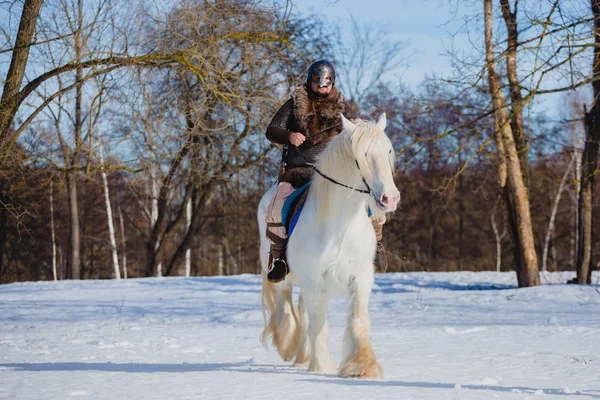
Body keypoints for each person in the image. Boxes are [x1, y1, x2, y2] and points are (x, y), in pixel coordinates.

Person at [264, 59, 388, 283]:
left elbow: (353, 131)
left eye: (327, 82)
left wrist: (358, 125)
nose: (322, 86)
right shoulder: (294, 104)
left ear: (332, 83)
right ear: (310, 81)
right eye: (318, 82)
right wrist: (289, 136)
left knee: (373, 202)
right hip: (299, 170)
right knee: (276, 206)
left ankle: (376, 244)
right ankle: (280, 257)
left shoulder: (341, 106)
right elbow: (271, 131)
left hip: (334, 173)